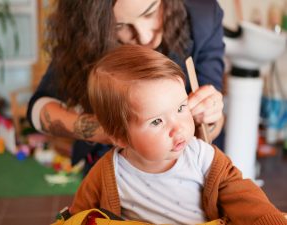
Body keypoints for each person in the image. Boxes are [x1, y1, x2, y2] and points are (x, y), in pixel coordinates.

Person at [69, 45, 287, 225]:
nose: (178, 127)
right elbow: (76, 217)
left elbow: (244, 197)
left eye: (181, 108)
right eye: (156, 121)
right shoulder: (108, 173)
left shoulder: (202, 157)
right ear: (120, 137)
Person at [27, 0, 225, 175]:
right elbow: (39, 109)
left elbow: (212, 112)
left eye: (150, 12)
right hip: (109, 167)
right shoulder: (84, 37)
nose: (144, 37)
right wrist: (106, 131)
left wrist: (210, 116)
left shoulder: (203, 16)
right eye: (120, 26)